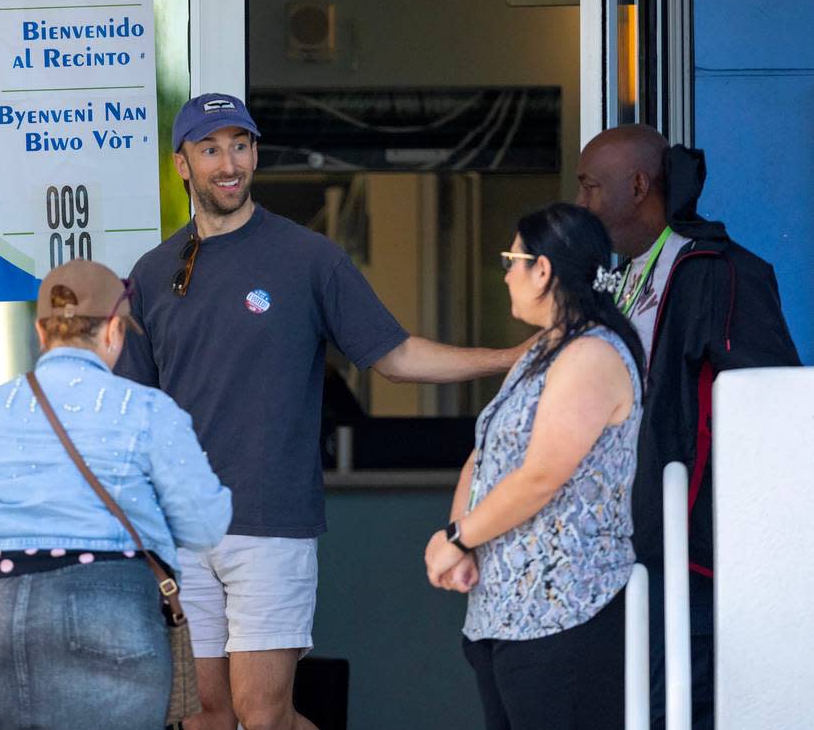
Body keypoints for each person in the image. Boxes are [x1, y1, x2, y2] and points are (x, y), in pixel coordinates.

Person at [116, 92, 529, 730]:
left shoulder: (308, 258)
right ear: (182, 165)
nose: (229, 163)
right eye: (211, 148)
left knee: (263, 714)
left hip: (270, 519)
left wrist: (509, 356)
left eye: (241, 146)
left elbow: (395, 356)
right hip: (180, 529)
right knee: (204, 716)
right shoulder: (151, 271)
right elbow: (132, 409)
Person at [0, 259, 232, 730]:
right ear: (114, 329)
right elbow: (204, 524)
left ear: (40, 331)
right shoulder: (147, 409)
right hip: (104, 607)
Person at [575, 125, 800, 729]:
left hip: (690, 555)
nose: (581, 204)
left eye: (592, 186)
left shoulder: (716, 271)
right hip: (619, 555)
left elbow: (770, 412)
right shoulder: (619, 278)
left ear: (640, 186)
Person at [425, 202, 645, 730]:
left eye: (512, 259)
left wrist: (456, 538)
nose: (506, 275)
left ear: (542, 269)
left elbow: (542, 475)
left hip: (567, 614)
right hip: (503, 616)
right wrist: (464, 541)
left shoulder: (592, 354)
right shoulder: (540, 353)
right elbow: (482, 456)